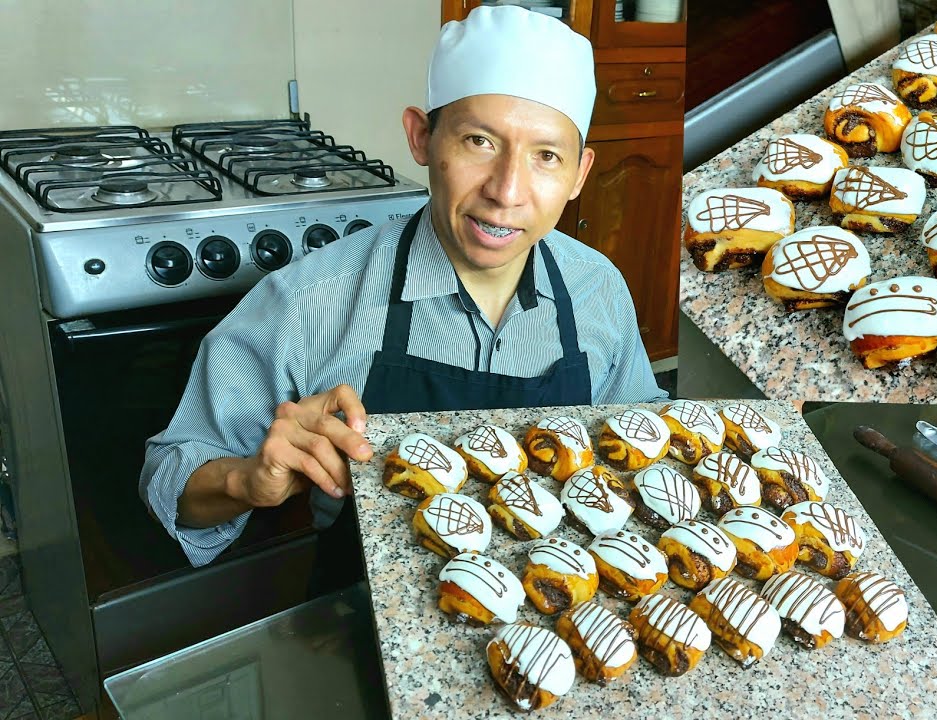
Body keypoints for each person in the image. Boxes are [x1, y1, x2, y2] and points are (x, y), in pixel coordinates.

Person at [140, 6, 667, 567]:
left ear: (579, 175)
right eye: (479, 142)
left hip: (562, 615)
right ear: (421, 138)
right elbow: (169, 477)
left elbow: (637, 435)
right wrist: (247, 480)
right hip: (368, 617)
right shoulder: (311, 300)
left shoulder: (597, 288)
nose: (508, 191)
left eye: (546, 157)